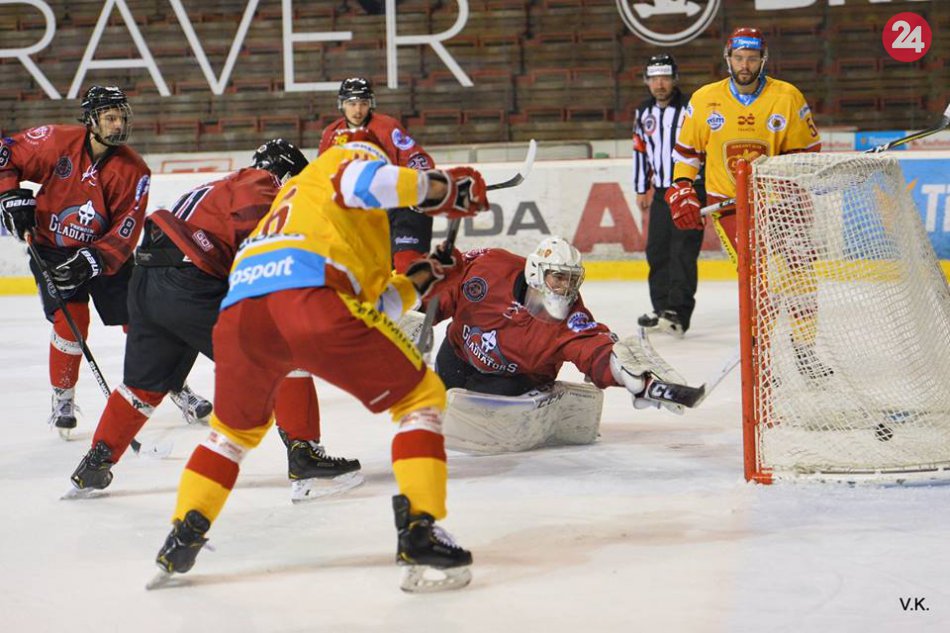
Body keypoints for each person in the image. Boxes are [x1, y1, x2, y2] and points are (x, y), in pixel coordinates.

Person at [151, 129, 489, 593]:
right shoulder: (340, 165)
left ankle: (183, 534)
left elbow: (373, 308)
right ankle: (420, 530)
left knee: (230, 435)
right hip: (307, 296)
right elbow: (369, 181)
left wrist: (422, 277)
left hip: (241, 311)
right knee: (421, 398)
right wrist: (446, 189)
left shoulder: (313, 212)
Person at [66, 139, 361, 501]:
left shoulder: (218, 186)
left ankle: (94, 466)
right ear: (285, 174)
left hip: (146, 284)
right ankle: (305, 454)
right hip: (189, 282)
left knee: (144, 386)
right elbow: (264, 251)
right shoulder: (263, 185)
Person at [0, 85, 210, 439]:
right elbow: (5, 153)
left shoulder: (135, 170)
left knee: (142, 318)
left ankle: (174, 384)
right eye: (110, 118)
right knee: (72, 323)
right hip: (52, 248)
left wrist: (95, 259)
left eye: (121, 117)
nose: (118, 125)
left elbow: (128, 227)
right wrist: (8, 194)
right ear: (91, 120)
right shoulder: (55, 141)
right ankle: (63, 399)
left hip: (102, 255)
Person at [666, 27, 829, 379]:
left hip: (784, 203)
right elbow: (687, 154)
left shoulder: (787, 97)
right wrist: (682, 187)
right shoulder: (705, 100)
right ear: (728, 59)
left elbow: (808, 154)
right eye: (739, 58)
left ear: (763, 59)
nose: (745, 65)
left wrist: (788, 179)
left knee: (801, 278)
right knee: (758, 281)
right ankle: (761, 354)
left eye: (752, 58)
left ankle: (804, 350)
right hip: (731, 208)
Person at [428, 236, 688, 454]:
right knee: (435, 402)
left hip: (517, 379)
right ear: (535, 272)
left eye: (571, 280)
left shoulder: (569, 318)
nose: (565, 287)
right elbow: (446, 285)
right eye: (559, 277)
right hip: (459, 353)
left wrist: (626, 372)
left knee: (471, 414)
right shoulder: (489, 267)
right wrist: (418, 308)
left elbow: (591, 347)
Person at [319, 77, 436, 273]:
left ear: (370, 104)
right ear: (342, 104)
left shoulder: (388, 127)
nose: (358, 110)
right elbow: (322, 175)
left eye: (363, 103)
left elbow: (415, 158)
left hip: (396, 205)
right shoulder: (331, 134)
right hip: (357, 215)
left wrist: (422, 183)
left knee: (407, 265)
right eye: (352, 104)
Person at [632, 53, 705, 337]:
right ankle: (661, 307)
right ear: (646, 81)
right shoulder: (643, 112)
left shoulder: (691, 107)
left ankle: (678, 312)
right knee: (657, 250)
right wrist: (641, 187)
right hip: (661, 191)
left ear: (675, 78)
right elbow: (640, 150)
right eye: (654, 78)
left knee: (683, 252)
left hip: (690, 189)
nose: (659, 84)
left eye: (664, 77)